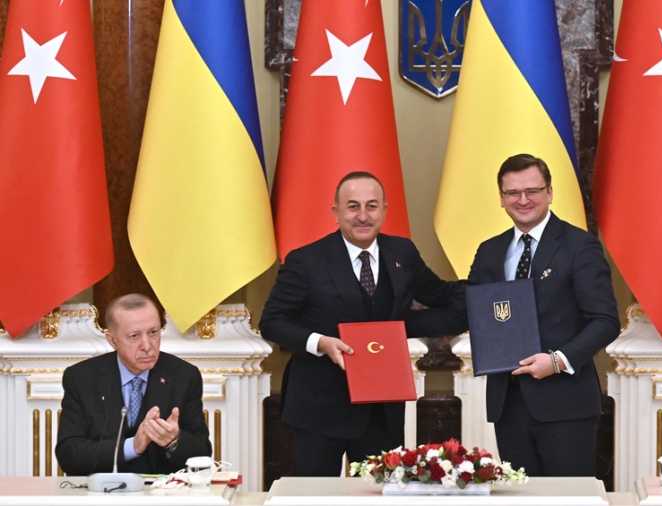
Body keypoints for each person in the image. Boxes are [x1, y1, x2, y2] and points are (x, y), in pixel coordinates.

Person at [260, 171, 467, 476]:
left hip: (381, 411)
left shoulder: (403, 253)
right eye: (353, 206)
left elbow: (441, 295)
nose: (363, 216)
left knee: (378, 493)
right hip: (319, 409)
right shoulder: (305, 261)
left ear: (384, 210)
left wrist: (493, 290)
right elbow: (272, 322)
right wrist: (321, 343)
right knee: (317, 496)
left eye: (371, 206)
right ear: (336, 212)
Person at [466, 153, 620, 477]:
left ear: (549, 192)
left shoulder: (580, 246)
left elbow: (605, 321)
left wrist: (557, 360)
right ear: (501, 198)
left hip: (566, 405)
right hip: (508, 405)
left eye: (532, 191)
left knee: (568, 498)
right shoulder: (489, 251)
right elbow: (472, 309)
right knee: (521, 497)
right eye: (513, 193)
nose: (523, 200)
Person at [56, 294, 211, 475]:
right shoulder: (82, 378)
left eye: (153, 333)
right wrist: (132, 447)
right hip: (103, 489)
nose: (147, 346)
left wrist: (174, 441)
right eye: (134, 336)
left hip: (162, 490)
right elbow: (69, 454)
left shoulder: (183, 376)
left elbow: (203, 453)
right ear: (112, 340)